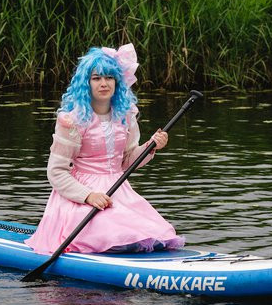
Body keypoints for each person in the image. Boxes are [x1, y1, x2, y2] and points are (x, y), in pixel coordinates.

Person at [24, 44, 185, 255]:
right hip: (82, 196)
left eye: (109, 78)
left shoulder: (125, 116)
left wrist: (151, 146)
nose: (103, 83)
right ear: (86, 83)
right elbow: (55, 172)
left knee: (157, 233)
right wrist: (88, 196)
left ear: (117, 82)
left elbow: (127, 161)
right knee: (113, 234)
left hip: (119, 191)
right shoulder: (72, 121)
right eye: (97, 78)